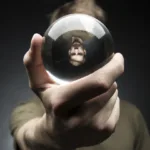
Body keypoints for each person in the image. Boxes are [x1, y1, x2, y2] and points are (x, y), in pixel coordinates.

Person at [9, 0, 150, 150]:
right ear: (58, 46)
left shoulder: (132, 116)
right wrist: (50, 135)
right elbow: (27, 137)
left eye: (87, 35)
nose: (77, 44)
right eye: (70, 35)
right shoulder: (30, 110)